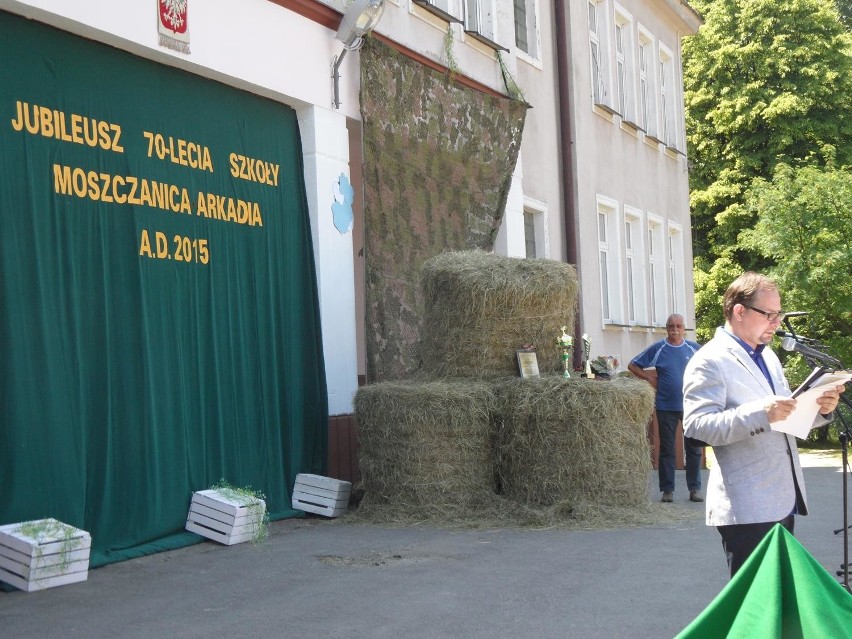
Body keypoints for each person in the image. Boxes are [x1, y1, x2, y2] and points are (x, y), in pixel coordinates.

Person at [682, 272, 845, 577]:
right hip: (746, 505)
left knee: (777, 599)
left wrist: (821, 410)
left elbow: (786, 416)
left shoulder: (768, 356)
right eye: (769, 314)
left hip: (780, 498)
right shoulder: (710, 360)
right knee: (754, 607)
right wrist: (762, 414)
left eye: (778, 313)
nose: (777, 322)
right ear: (739, 311)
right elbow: (697, 427)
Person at [628, 314, 703, 504]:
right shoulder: (659, 348)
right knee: (667, 450)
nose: (675, 329)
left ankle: (694, 489)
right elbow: (633, 365)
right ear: (666, 328)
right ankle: (667, 490)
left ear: (684, 328)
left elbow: (710, 366)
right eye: (671, 326)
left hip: (690, 406)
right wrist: (649, 378)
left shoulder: (693, 349)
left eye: (678, 326)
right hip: (665, 406)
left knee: (693, 448)